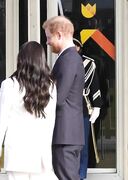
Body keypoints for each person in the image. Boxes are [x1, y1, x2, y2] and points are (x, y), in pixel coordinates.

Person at [0, 41, 57, 180]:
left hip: (16, 156)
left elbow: (0, 122)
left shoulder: (9, 85)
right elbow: (50, 124)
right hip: (41, 157)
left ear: (21, 59)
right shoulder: (50, 86)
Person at [42, 16, 85, 180]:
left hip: (65, 135)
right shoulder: (69, 58)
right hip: (68, 134)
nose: (47, 42)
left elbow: (58, 97)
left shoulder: (68, 59)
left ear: (59, 35)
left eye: (48, 37)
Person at [73, 38, 102, 180]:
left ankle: (82, 175)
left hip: (83, 106)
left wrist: (97, 106)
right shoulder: (62, 61)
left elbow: (95, 85)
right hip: (66, 107)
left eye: (75, 45)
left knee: (83, 144)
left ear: (79, 46)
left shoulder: (89, 63)